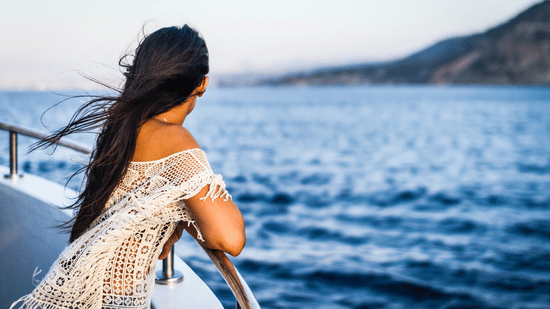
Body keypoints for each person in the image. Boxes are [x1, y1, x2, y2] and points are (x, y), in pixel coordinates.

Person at [11, 25, 245, 309]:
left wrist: (180, 211)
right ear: (202, 84)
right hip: (113, 301)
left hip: (78, 286)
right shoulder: (173, 138)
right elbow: (231, 239)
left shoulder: (121, 126)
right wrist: (187, 213)